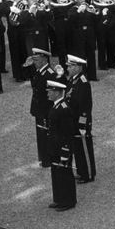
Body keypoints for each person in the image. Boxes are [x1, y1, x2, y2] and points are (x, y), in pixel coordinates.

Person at [63, 55, 95, 184]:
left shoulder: (83, 83)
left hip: (80, 122)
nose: (68, 68)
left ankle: (88, 174)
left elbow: (85, 106)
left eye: (70, 66)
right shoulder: (73, 80)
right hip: (73, 121)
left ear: (77, 67)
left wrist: (82, 124)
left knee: (84, 149)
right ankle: (81, 171)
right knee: (77, 149)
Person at [46, 79, 76, 210]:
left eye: (50, 91)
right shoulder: (56, 105)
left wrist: (65, 150)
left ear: (57, 93)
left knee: (65, 174)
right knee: (56, 173)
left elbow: (67, 132)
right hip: (54, 146)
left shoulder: (64, 109)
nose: (48, 94)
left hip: (62, 147)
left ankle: (68, 201)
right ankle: (59, 198)